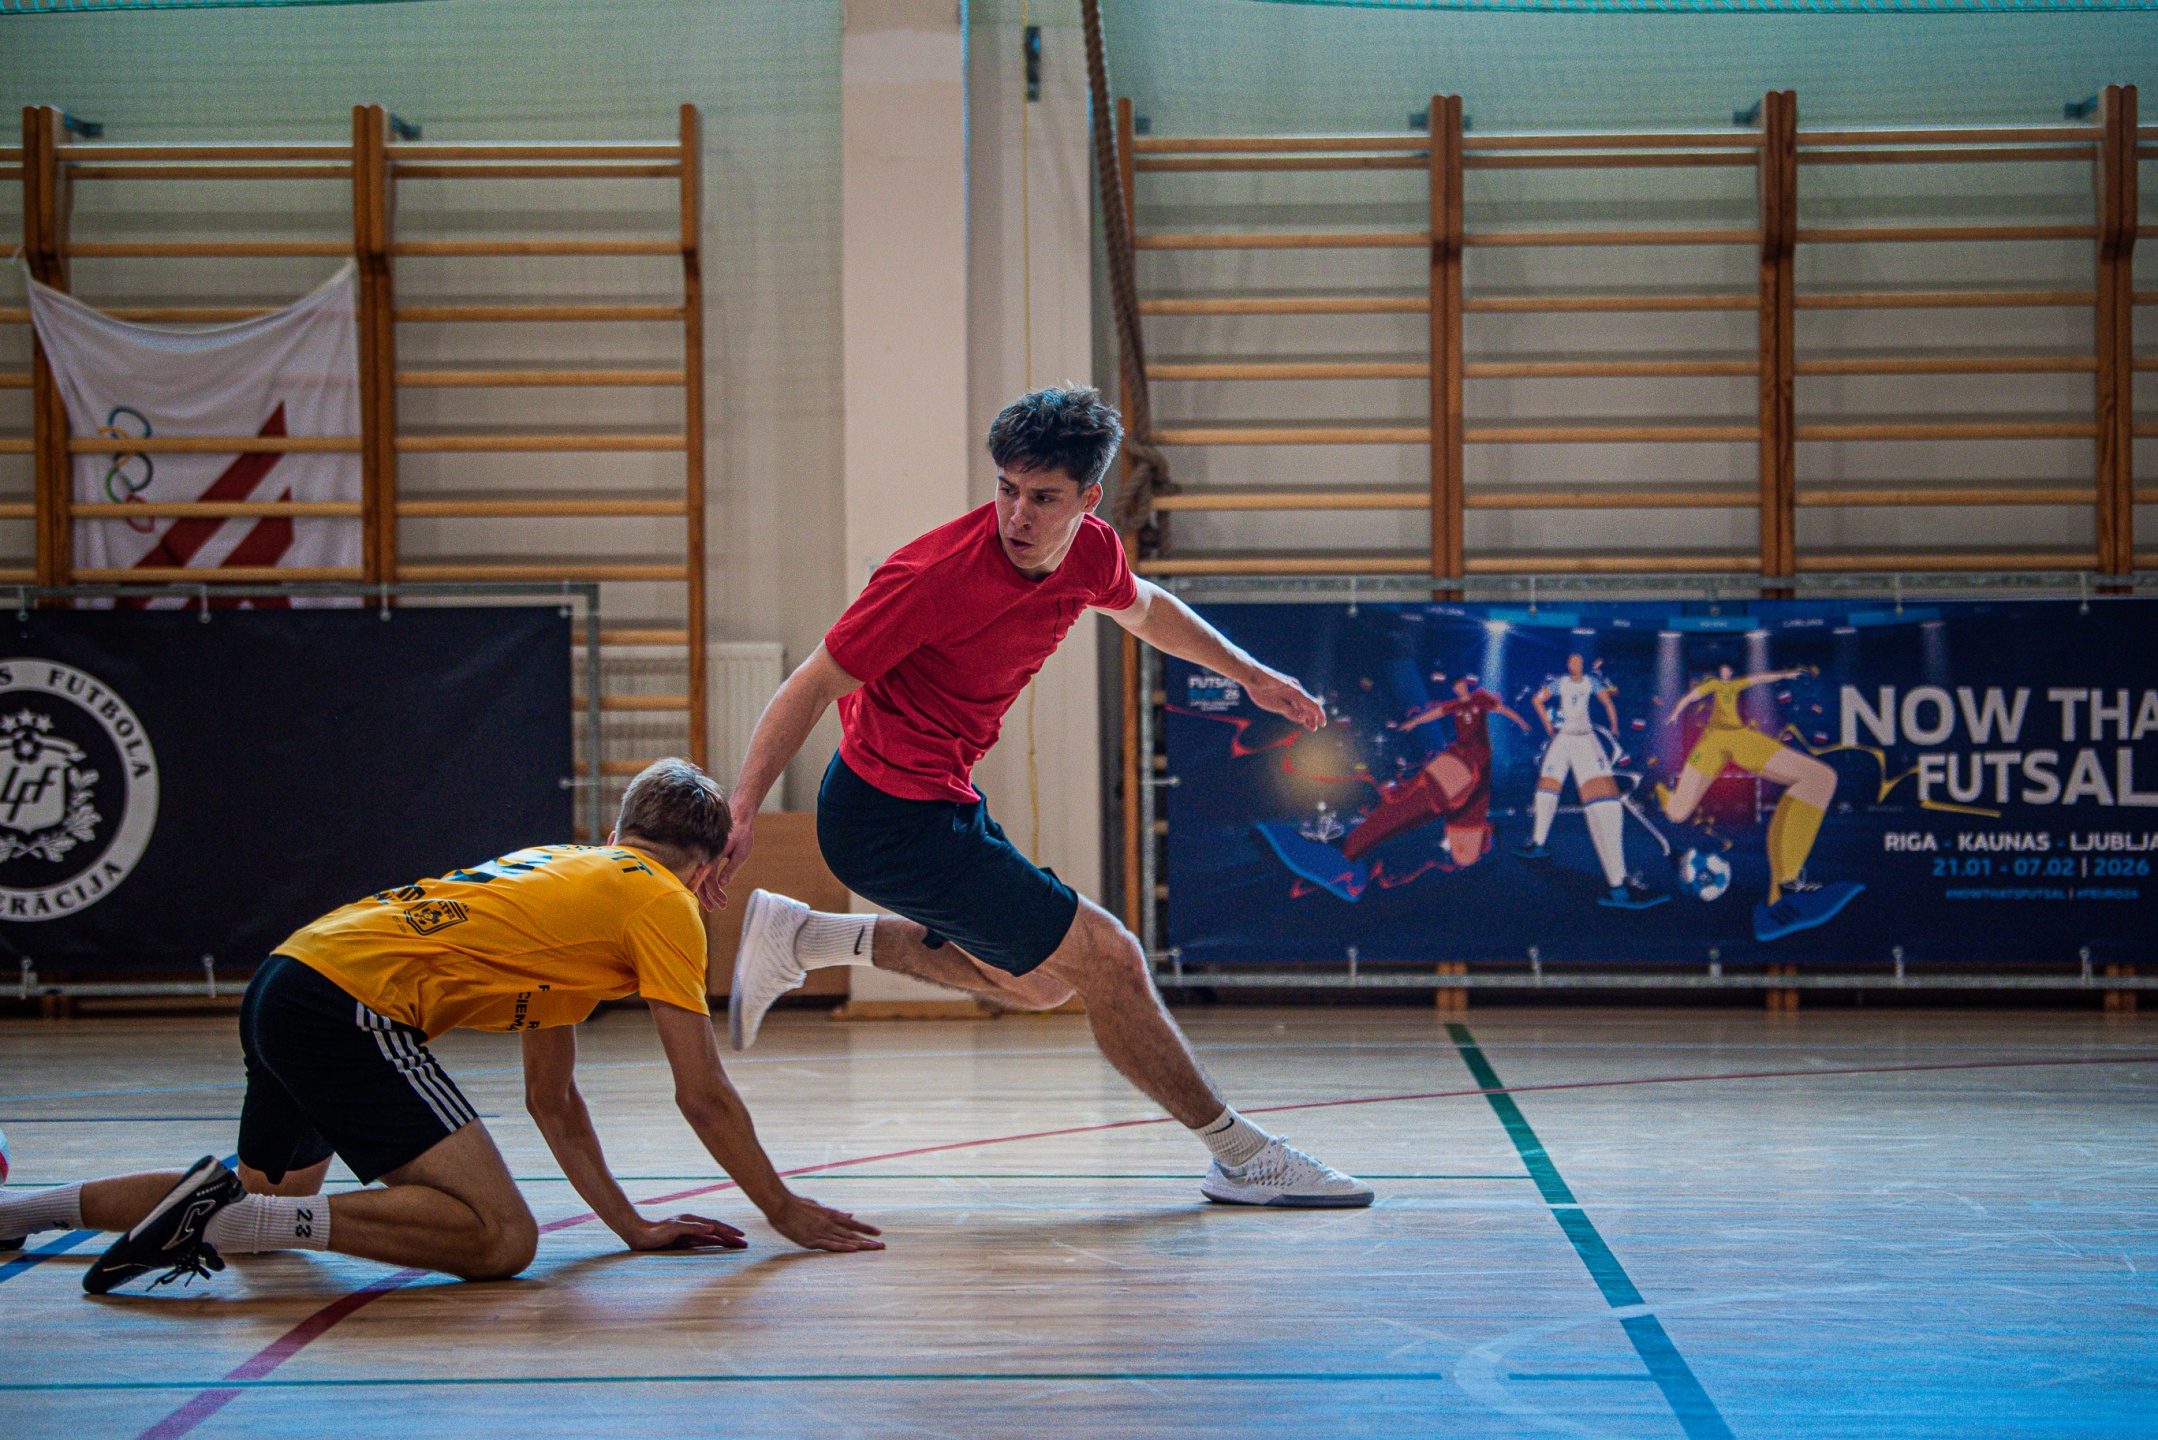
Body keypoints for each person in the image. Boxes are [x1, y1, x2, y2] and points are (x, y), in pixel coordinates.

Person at [720, 386, 1371, 1209]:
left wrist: (1249, 674)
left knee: (1040, 984)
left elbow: (1145, 609)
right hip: (886, 816)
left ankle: (807, 935)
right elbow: (812, 683)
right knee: (1111, 960)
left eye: (1043, 498)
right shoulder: (930, 576)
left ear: (1088, 500)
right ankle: (1243, 1156)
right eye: (1007, 489)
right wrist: (743, 806)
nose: (1017, 514)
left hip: (938, 803)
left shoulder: (1092, 552)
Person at [0, 759, 882, 1296]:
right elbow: (703, 1095)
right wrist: (782, 1208)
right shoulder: (661, 902)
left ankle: (19, 1213)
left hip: (290, 976)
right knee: (501, 1239)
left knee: (273, 1191)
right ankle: (231, 1221)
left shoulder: (569, 873)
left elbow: (553, 1100)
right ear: (707, 866)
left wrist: (632, 1226)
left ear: (620, 827)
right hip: (349, 1005)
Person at [1660, 663, 1862, 942]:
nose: (1728, 672)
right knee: (1677, 812)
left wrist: (1786, 674)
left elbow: (1760, 678)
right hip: (1714, 739)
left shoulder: (1736, 683)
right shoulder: (1713, 686)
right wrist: (1674, 714)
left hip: (1738, 736)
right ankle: (1782, 894)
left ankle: (1782, 895)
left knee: (1819, 778)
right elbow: (1691, 698)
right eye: (1724, 669)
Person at [1515, 653, 1665, 909]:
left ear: (1582, 665)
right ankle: (1538, 845)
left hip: (1585, 737)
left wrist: (1614, 725)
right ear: (1568, 665)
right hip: (1564, 736)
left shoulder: (1591, 683)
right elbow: (1536, 700)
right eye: (1571, 661)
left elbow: (1607, 702)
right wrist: (1548, 725)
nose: (1575, 664)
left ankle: (1619, 886)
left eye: (1578, 661)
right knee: (1547, 785)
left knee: (1603, 801)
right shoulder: (1560, 683)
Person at [1341, 675, 1530, 870]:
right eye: (1456, 687)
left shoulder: (1479, 700)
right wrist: (1414, 722)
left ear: (1465, 686)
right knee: (1416, 803)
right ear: (1455, 689)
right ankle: (1353, 845)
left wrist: (1521, 721)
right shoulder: (1455, 705)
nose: (1460, 689)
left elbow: (1503, 710)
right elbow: (1434, 713)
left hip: (1478, 763)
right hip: (1461, 758)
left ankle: (1354, 845)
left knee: (1464, 849)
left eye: (1461, 685)